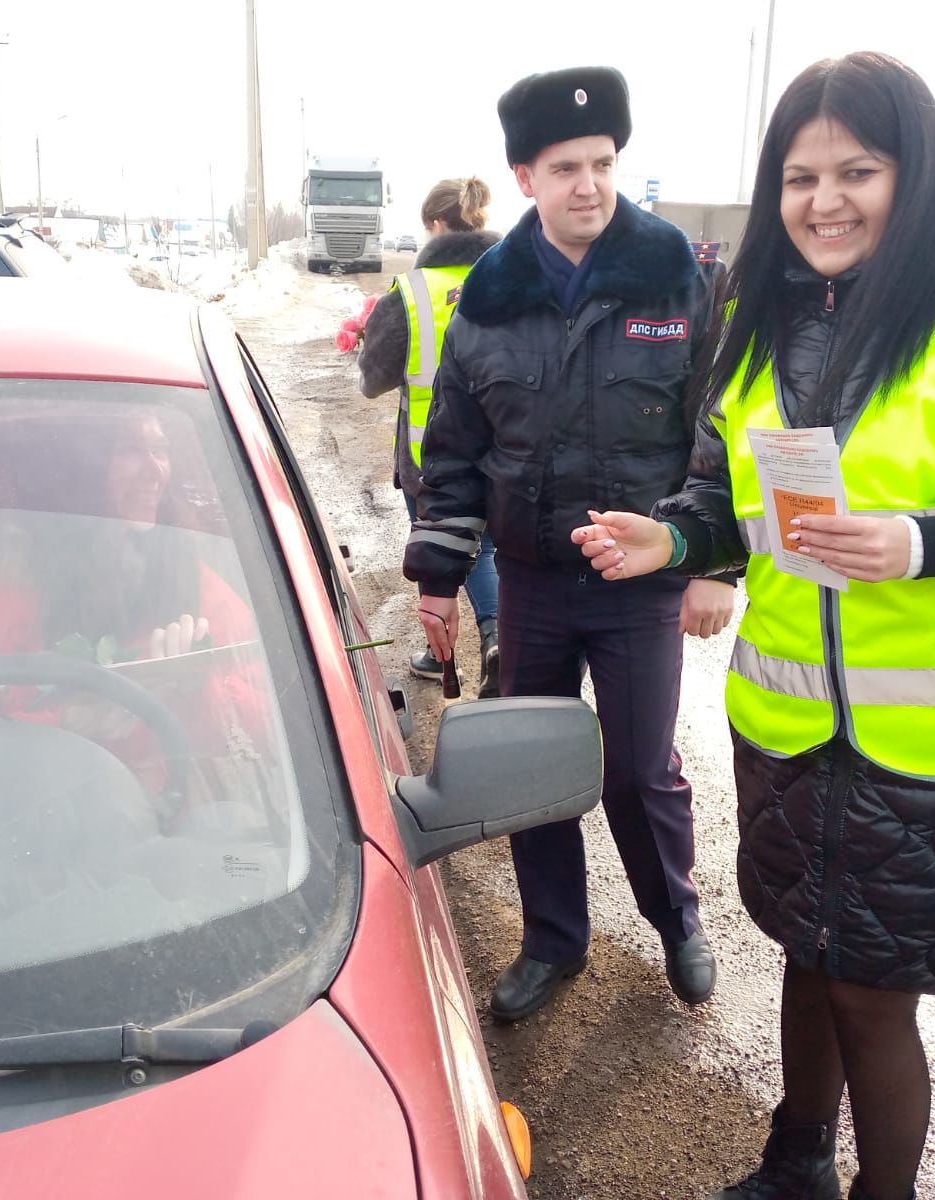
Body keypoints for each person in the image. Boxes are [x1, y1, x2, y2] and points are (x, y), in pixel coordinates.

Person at [570, 52, 935, 1200]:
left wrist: (930, 541)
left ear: (913, 172)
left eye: (857, 170)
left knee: (874, 998)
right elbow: (728, 499)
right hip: (790, 732)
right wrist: (672, 541)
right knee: (809, 956)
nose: (824, 200)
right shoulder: (753, 319)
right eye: (799, 176)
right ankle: (796, 1161)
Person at [403, 66, 735, 1022]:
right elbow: (456, 452)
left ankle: (677, 920)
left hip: (638, 584)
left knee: (640, 768)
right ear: (524, 178)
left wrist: (705, 559)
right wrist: (438, 577)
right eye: (565, 167)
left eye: (603, 162)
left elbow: (723, 427)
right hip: (536, 581)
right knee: (533, 767)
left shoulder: (679, 277)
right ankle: (555, 940)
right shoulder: (489, 302)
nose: (589, 183)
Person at [0, 414, 268, 805]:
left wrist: (197, 690)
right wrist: (66, 726)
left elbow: (279, 730)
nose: (154, 471)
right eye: (128, 450)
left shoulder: (188, 584)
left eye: (160, 451)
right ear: (77, 466)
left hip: (168, 844)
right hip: (14, 844)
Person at [358, 176, 503, 696]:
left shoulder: (413, 292)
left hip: (429, 457)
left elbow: (373, 379)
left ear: (438, 226)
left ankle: (448, 655)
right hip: (507, 450)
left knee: (443, 555)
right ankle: (496, 640)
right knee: (487, 550)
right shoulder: (513, 278)